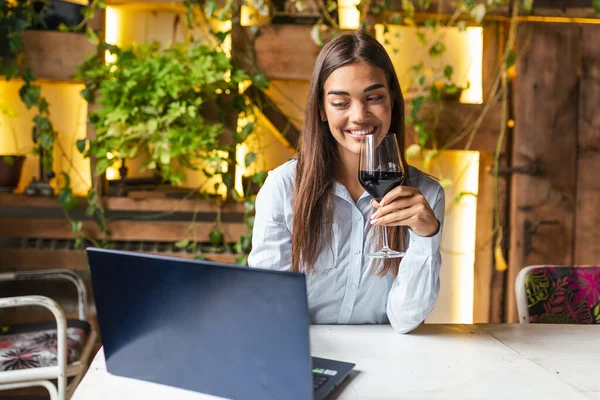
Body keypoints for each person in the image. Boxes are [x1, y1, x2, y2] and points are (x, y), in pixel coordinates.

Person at [247, 31, 444, 334]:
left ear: (392, 100)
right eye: (340, 102)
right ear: (322, 111)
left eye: (374, 98)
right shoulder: (283, 189)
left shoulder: (424, 196)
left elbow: (405, 320)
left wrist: (426, 237)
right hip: (306, 356)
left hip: (390, 363)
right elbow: (268, 308)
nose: (359, 115)